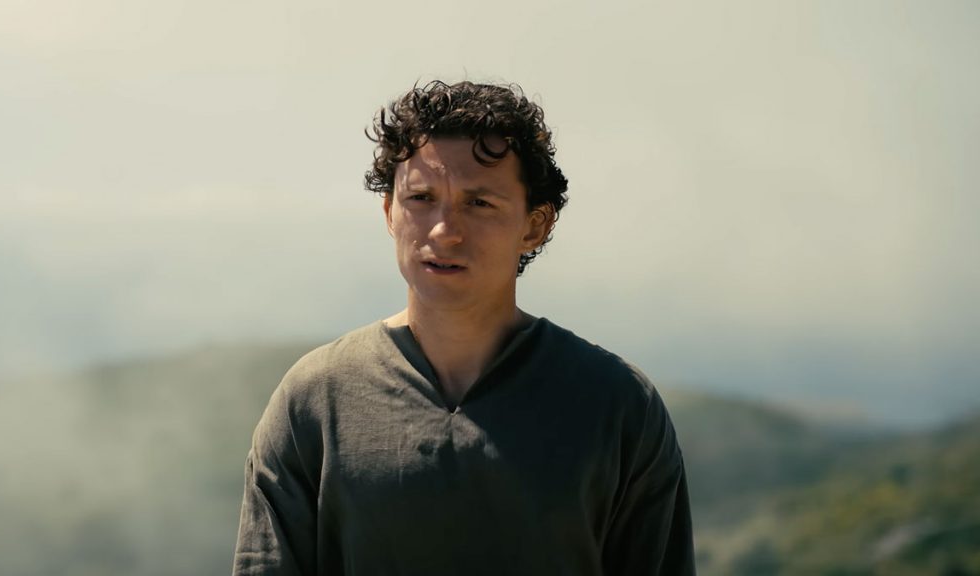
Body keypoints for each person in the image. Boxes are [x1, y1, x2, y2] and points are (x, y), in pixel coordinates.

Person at [232, 80, 695, 575]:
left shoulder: (616, 404)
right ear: (389, 213)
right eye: (420, 198)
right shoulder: (315, 400)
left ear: (534, 225)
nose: (444, 231)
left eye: (479, 203)